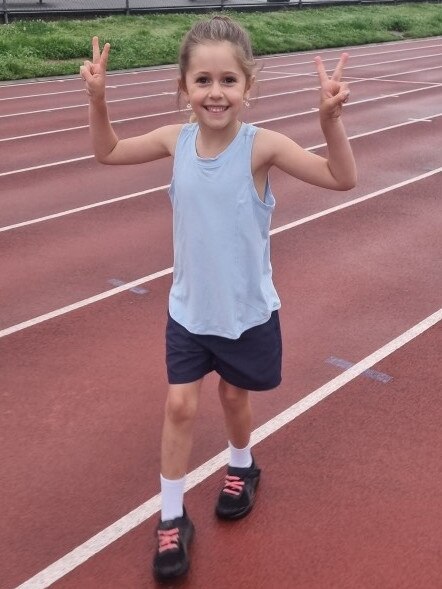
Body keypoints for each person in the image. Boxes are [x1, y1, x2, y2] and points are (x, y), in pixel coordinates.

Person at [80, 15, 356, 583]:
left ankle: (240, 465)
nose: (215, 92)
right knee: (180, 405)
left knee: (234, 396)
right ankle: (173, 517)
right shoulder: (172, 142)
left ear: (248, 87)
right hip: (188, 311)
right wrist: (98, 100)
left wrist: (330, 122)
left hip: (246, 312)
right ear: (183, 88)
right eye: (202, 80)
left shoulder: (263, 147)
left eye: (228, 80)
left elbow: (340, 178)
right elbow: (106, 151)